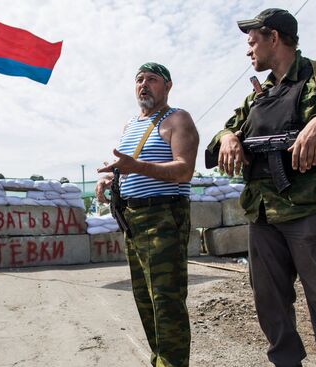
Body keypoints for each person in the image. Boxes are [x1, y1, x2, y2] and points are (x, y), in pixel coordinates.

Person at [206, 8, 316, 367]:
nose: (248, 50)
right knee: (269, 302)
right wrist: (229, 138)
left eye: (253, 42)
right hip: (263, 213)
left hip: (313, 210)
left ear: (274, 37)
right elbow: (220, 134)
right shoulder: (258, 96)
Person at [96, 62, 199, 367]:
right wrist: (110, 178)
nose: (143, 84)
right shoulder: (131, 126)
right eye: (139, 80)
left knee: (166, 300)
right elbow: (128, 168)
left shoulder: (177, 119)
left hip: (164, 216)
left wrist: (136, 167)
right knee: (145, 299)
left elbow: (184, 170)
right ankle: (160, 361)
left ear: (167, 85)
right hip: (133, 219)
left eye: (152, 79)